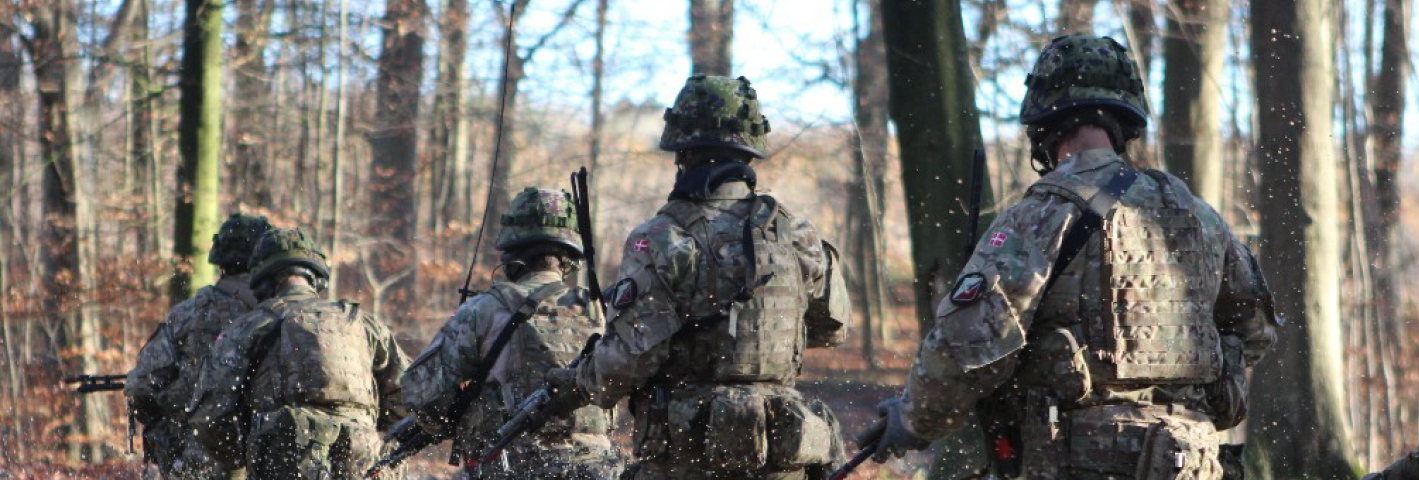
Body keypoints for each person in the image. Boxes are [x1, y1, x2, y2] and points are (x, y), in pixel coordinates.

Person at [860, 35, 1280, 479]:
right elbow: (1254, 330)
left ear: (1044, 122)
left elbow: (968, 349)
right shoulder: (1200, 218)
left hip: (1078, 461)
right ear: (1126, 121)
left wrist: (912, 420)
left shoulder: (1040, 216)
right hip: (1194, 463)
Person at [542, 74, 853, 480]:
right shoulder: (795, 232)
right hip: (781, 462)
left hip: (689, 463)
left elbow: (627, 361)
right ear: (749, 154)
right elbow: (831, 329)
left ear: (682, 153)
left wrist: (576, 384)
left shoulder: (662, 237)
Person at [401, 187, 621, 479]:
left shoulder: (486, 309)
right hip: (596, 467)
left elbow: (423, 394)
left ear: (510, 251)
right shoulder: (599, 311)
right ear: (568, 256)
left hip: (512, 466)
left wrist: (458, 419)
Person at [188, 228, 408, 479]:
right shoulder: (361, 323)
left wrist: (244, 457)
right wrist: (366, 435)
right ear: (317, 279)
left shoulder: (248, 328)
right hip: (365, 462)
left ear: (263, 282)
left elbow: (208, 417)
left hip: (284, 462)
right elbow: (407, 398)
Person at [127, 213, 270, 479]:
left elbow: (140, 386)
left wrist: (169, 441)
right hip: (266, 463)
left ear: (219, 260)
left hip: (195, 464)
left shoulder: (187, 314)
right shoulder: (280, 317)